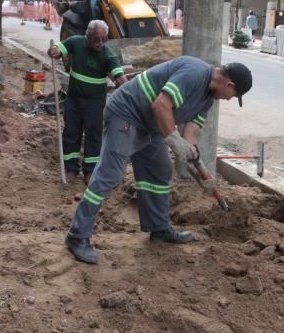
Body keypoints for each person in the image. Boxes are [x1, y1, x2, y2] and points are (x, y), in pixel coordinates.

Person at [63, 57, 253, 264]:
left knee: (160, 169)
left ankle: (159, 228)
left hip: (149, 126)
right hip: (126, 113)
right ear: (229, 85)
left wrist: (193, 159)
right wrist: (174, 141)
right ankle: (77, 235)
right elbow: (161, 105)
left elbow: (192, 130)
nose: (228, 99)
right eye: (233, 96)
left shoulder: (208, 98)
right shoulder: (194, 73)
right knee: (110, 174)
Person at [47, 20, 127, 183]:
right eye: (96, 39)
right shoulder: (76, 42)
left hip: (95, 104)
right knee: (71, 133)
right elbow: (59, 49)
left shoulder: (108, 55)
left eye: (104, 39)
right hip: (74, 100)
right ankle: (71, 169)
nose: (100, 43)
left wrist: (126, 87)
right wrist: (54, 51)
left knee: (94, 136)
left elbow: (121, 79)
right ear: (88, 36)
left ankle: (90, 171)